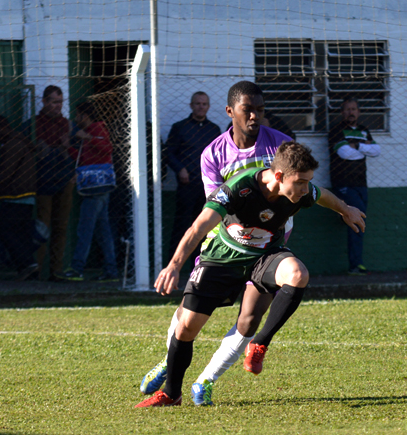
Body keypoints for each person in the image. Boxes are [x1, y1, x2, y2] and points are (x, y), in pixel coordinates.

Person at [135, 141, 365, 408]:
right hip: (222, 259)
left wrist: (345, 209)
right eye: (301, 182)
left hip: (265, 256)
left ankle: (258, 344)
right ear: (278, 176)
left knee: (297, 274)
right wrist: (174, 265)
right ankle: (171, 393)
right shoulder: (238, 188)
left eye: (308, 182)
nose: (305, 190)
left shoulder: (301, 191)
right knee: (185, 328)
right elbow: (199, 226)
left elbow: (322, 194)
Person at [139, 81, 294, 406]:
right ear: (230, 112)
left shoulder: (282, 146)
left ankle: (206, 381)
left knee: (250, 318)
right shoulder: (214, 153)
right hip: (226, 247)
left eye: (260, 110)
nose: (255, 116)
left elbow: (299, 190)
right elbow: (217, 204)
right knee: (187, 315)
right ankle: (171, 362)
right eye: (247, 109)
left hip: (270, 248)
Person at [24, 85, 75, 281]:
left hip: (64, 180)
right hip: (42, 181)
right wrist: (39, 150)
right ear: (44, 102)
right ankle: (36, 269)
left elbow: (76, 150)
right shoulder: (33, 124)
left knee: (61, 226)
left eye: (60, 102)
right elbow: (28, 151)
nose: (58, 106)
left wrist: (66, 151)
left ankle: (56, 270)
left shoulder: (67, 125)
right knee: (42, 227)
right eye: (54, 102)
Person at [65, 102, 118, 281]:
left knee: (85, 229)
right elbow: (85, 159)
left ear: (84, 115)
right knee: (103, 231)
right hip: (96, 186)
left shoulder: (97, 129)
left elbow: (107, 148)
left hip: (96, 188)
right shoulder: (90, 133)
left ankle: (77, 268)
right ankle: (111, 270)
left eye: (77, 115)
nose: (75, 119)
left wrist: (87, 137)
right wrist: (68, 147)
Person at [328, 98, 381, 275]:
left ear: (358, 112)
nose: (351, 112)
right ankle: (355, 266)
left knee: (357, 219)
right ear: (342, 112)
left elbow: (377, 151)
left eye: (354, 109)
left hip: (361, 183)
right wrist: (363, 148)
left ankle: (341, 215)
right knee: (357, 221)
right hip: (343, 183)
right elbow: (345, 154)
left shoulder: (364, 130)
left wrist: (356, 145)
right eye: (347, 109)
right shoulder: (336, 130)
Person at [166, 91, 221, 261]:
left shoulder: (214, 130)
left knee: (205, 227)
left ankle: (200, 266)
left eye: (204, 104)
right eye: (197, 103)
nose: (201, 107)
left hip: (208, 189)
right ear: (191, 105)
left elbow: (219, 157)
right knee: (182, 226)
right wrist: (180, 169)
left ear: (208, 107)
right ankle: (175, 264)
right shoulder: (180, 127)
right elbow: (168, 153)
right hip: (187, 185)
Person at [0, 115, 41, 281]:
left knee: (5, 229)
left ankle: (26, 263)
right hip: (25, 195)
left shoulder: (12, 145)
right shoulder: (17, 142)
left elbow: (7, 173)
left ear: (1, 128)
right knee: (18, 233)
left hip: (16, 195)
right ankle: (28, 267)